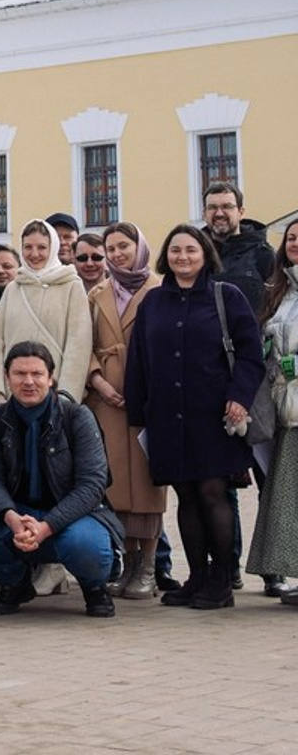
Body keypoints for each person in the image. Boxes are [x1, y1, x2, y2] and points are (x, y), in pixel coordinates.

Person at [125, 225, 264, 610]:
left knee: (212, 491)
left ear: (205, 255)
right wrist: (139, 413)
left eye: (190, 250)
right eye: (175, 251)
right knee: (185, 493)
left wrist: (240, 397)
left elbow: (251, 356)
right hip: (168, 416)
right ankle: (196, 577)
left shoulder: (227, 297)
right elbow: (139, 359)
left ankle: (221, 579)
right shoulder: (152, 302)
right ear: (165, 256)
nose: (182, 257)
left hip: (215, 413)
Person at [0, 341, 121, 618]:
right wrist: (10, 516)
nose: (28, 381)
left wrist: (47, 526)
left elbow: (92, 484)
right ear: (7, 377)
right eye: (20, 374)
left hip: (72, 516)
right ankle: (15, 582)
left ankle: (94, 587)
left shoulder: (77, 416)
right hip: (18, 514)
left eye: (37, 374)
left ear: (51, 377)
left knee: (86, 544)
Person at [84, 223, 164, 599]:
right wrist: (98, 381)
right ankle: (127, 564)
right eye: (110, 248)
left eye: (123, 247)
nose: (117, 254)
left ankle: (147, 567)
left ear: (140, 247)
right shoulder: (97, 293)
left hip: (148, 400)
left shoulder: (160, 289)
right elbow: (82, 343)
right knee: (114, 484)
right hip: (107, 401)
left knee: (147, 486)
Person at [0, 219, 92, 406]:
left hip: (55, 396)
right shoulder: (13, 288)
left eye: (41, 247)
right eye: (28, 247)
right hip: (13, 395)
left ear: (53, 248)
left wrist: (67, 394)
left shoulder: (71, 285)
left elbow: (79, 343)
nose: (34, 254)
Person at [248, 220, 298, 599]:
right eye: (292, 238)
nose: (295, 244)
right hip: (284, 407)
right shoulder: (278, 290)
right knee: (287, 498)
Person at [202, 181, 276, 316]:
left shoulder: (263, 254)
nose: (219, 213)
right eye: (212, 207)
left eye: (227, 207)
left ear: (241, 212)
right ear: (204, 214)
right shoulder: (196, 256)